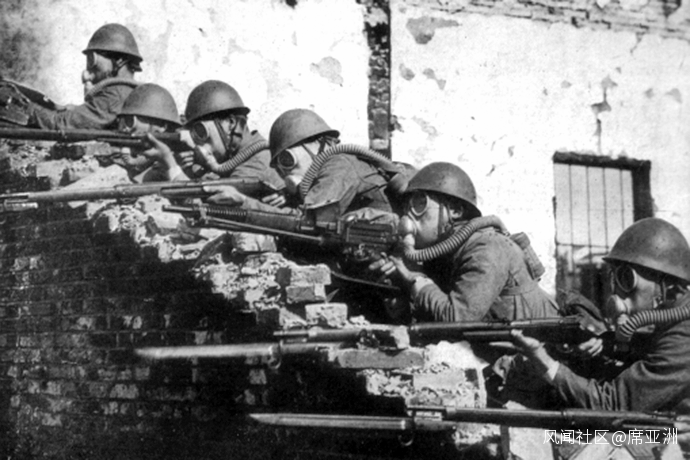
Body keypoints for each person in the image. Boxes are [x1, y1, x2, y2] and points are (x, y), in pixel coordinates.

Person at [512, 217, 690, 414]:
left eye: (626, 278)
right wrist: (606, 344)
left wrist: (542, 359)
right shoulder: (675, 320)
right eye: (614, 277)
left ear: (668, 286)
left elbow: (612, 404)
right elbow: (651, 347)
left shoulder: (684, 336)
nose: (617, 291)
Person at [371, 162, 560, 323]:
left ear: (455, 210)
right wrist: (399, 294)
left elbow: (458, 318)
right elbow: (435, 314)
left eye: (420, 204)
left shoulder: (487, 248)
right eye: (406, 208)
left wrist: (415, 278)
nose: (408, 217)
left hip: (542, 349)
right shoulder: (442, 253)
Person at [204, 108, 397, 220]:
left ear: (318, 145)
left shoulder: (339, 165)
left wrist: (244, 202)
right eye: (279, 167)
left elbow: (307, 222)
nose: (285, 172)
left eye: (287, 160)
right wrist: (289, 197)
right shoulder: (323, 174)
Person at [28, 23, 143, 130]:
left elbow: (61, 123)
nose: (88, 69)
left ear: (119, 60)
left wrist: (29, 109)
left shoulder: (114, 95)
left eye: (92, 59)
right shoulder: (129, 92)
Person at [110, 83, 188, 182]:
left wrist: (168, 160)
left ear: (161, 126)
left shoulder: (179, 164)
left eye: (130, 121)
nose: (125, 128)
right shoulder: (142, 162)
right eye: (123, 121)